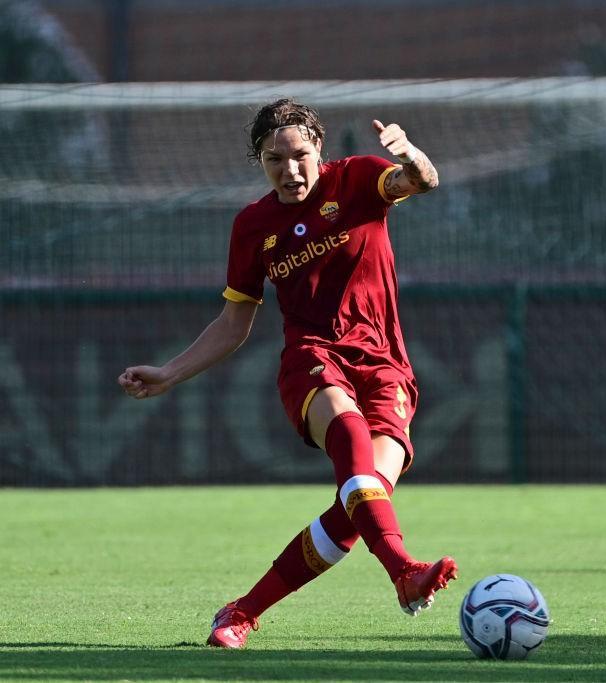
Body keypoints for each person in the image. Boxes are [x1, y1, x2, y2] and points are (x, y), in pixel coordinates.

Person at [117, 98, 456, 649]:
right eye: (274, 159)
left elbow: (421, 181)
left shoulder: (359, 180)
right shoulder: (252, 226)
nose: (290, 169)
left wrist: (413, 156)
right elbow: (233, 323)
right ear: (259, 161)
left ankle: (242, 611)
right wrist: (169, 373)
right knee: (349, 440)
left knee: (358, 504)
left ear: (320, 149)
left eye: (300, 155)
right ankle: (402, 569)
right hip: (312, 359)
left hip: (387, 367)